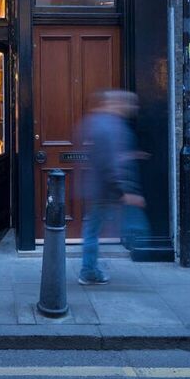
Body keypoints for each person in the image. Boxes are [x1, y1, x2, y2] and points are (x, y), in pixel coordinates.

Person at [78, 90, 149, 286]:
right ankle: (89, 271)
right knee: (94, 230)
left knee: (94, 228)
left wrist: (131, 155)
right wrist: (124, 192)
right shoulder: (111, 126)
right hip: (105, 189)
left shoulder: (96, 122)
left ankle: (90, 268)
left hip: (100, 187)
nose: (132, 108)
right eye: (129, 104)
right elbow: (109, 162)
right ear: (116, 104)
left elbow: (106, 156)